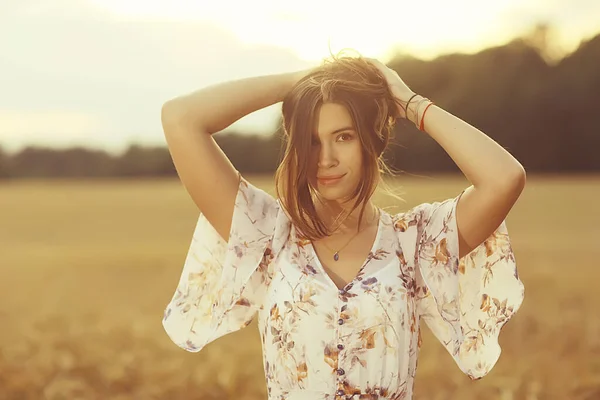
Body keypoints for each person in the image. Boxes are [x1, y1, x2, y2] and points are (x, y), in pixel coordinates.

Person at [160, 54, 526, 400]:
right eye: (311, 141)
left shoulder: (415, 242)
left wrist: (409, 102)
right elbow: (180, 118)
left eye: (344, 137)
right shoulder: (267, 233)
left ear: (373, 142)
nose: (326, 159)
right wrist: (305, 80)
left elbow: (504, 179)